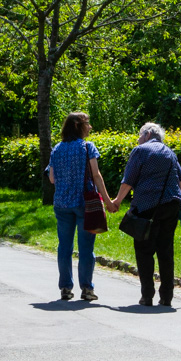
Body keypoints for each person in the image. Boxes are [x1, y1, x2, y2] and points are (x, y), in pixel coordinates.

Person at [109, 123, 181, 308]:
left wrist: (117, 201)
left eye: (139, 134)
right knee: (165, 251)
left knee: (144, 251)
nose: (138, 138)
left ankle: (147, 296)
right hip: (171, 206)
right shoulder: (169, 152)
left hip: (146, 207)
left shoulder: (140, 151)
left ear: (148, 134)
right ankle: (166, 297)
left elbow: (128, 180)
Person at [47, 112, 113, 302]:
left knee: (64, 248)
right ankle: (87, 289)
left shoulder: (57, 149)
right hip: (85, 204)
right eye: (87, 123)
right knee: (85, 249)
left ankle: (66, 288)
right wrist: (108, 202)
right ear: (78, 125)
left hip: (61, 204)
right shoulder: (87, 147)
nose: (90, 127)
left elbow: (52, 178)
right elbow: (96, 176)